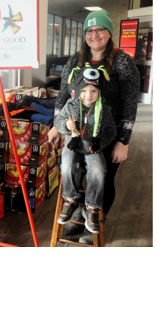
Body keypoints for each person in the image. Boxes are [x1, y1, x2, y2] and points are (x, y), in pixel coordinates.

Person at [48, 10, 140, 235]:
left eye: (100, 29)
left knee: (102, 178)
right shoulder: (75, 60)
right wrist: (56, 125)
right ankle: (79, 214)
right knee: (74, 173)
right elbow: (63, 95)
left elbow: (130, 103)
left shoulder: (122, 62)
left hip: (106, 133)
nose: (95, 35)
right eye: (89, 30)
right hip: (75, 132)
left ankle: (96, 221)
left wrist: (123, 140)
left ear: (109, 32)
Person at [54, 67, 116, 234]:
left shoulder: (104, 109)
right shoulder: (70, 105)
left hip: (92, 148)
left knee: (98, 170)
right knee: (67, 166)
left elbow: (111, 132)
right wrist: (66, 125)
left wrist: (100, 144)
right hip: (72, 145)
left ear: (99, 92)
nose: (89, 95)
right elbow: (58, 122)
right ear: (76, 91)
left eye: (93, 91)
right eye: (84, 91)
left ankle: (92, 208)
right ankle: (70, 200)